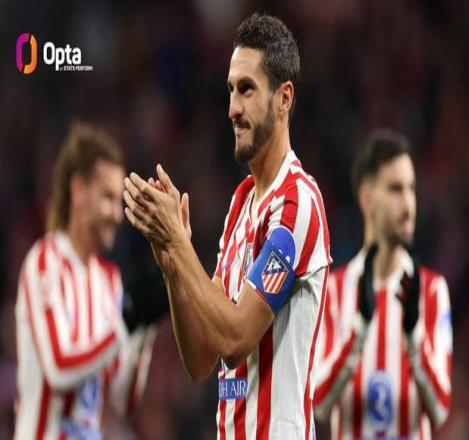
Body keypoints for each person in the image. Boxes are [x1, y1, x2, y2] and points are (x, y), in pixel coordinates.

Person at [123, 12, 332, 439]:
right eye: (231, 90)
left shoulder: (296, 205)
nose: (233, 108)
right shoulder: (241, 204)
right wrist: (174, 271)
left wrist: (181, 244)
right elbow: (202, 360)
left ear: (284, 98)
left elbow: (236, 340)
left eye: (247, 89)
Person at [14, 122, 167, 439]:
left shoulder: (109, 282)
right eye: (107, 197)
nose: (116, 215)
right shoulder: (45, 263)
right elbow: (59, 367)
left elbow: (122, 400)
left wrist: (144, 327)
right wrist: (125, 322)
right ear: (78, 190)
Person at [313, 130, 452, 439]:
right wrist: (358, 330)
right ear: (367, 200)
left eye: (411, 189)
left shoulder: (432, 290)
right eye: (395, 189)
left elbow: (441, 409)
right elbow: (318, 405)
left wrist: (414, 337)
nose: (409, 204)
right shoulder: (332, 292)